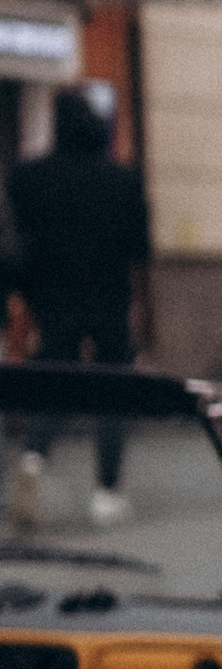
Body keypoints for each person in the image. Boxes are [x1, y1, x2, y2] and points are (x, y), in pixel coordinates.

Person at [7, 85, 152, 526]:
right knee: (111, 390)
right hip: (108, 294)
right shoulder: (123, 179)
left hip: (52, 296)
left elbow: (17, 243)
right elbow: (139, 248)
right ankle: (107, 491)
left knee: (55, 379)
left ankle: (34, 456)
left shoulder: (28, 177)